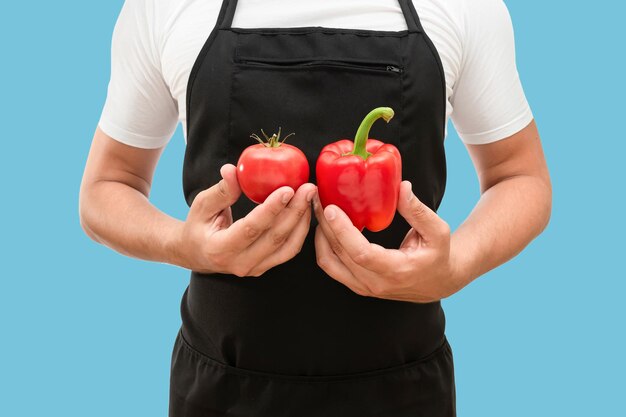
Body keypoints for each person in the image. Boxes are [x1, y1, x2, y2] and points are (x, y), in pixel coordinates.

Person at [79, 0, 552, 415]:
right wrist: (184, 247)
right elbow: (106, 187)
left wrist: (458, 265)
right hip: (220, 391)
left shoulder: (463, 5)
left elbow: (522, 176)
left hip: (405, 392)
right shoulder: (164, 5)